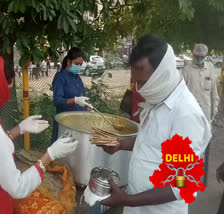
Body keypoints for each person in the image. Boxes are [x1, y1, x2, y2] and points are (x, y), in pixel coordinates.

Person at [99, 35, 211, 214]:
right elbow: (152, 141)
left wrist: (127, 200)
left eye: (143, 82)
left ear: (161, 74)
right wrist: (121, 143)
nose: (139, 89)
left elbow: (183, 183)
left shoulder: (185, 114)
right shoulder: (157, 98)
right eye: (137, 82)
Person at [0, 55, 79, 214]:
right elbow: (17, 187)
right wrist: (50, 154)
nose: (7, 96)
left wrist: (19, 129)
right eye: (7, 89)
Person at [51, 47, 91, 143]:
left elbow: (83, 97)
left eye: (80, 64)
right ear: (69, 62)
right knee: (61, 154)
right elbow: (58, 101)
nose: (79, 67)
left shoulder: (77, 78)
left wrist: (89, 108)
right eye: (76, 64)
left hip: (78, 123)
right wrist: (75, 100)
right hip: (65, 124)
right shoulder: (60, 78)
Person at [182, 43, 219, 125]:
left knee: (206, 134)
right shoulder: (187, 70)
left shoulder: (210, 68)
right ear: (193, 55)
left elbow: (214, 90)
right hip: (191, 109)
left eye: (201, 57)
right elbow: (181, 92)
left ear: (205, 56)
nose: (199, 59)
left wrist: (215, 108)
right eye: (196, 56)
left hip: (206, 109)